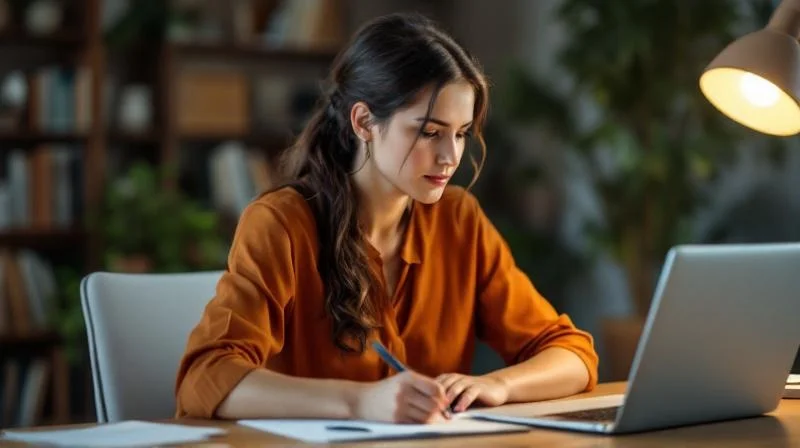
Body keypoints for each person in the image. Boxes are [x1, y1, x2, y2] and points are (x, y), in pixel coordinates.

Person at [175, 12, 598, 424]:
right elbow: (205, 377)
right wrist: (359, 402)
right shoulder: (281, 224)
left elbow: (572, 354)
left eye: (461, 133)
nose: (450, 156)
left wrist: (498, 385)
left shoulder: (458, 220)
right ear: (364, 122)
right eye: (429, 132)